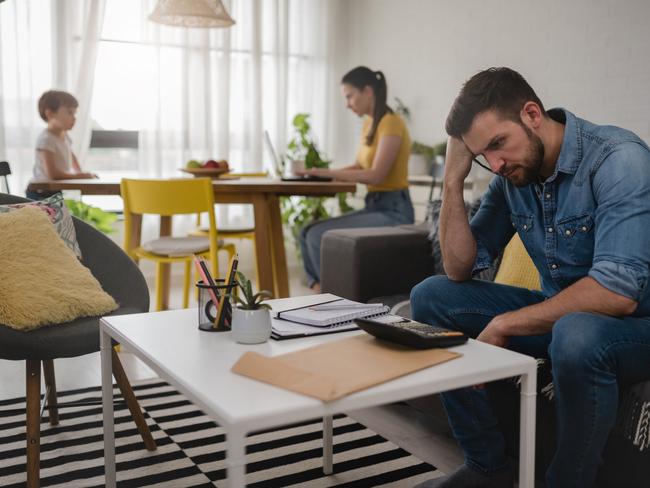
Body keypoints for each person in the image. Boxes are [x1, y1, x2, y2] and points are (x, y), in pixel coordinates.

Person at [411, 67, 650, 488]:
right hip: (561, 322)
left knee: (577, 333)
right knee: (431, 296)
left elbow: (618, 291)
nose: (496, 163)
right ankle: (487, 467)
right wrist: (453, 181)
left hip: (634, 326)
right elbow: (458, 267)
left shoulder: (618, 159)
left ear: (532, 114)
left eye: (499, 143)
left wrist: (505, 324)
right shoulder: (512, 178)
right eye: (484, 154)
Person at [297, 66, 415, 292]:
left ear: (368, 91)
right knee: (306, 232)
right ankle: (324, 293)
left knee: (317, 235)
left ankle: (332, 297)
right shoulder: (369, 123)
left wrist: (326, 173)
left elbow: (376, 174)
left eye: (350, 96)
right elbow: (360, 166)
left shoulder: (391, 122)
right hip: (374, 205)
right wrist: (321, 175)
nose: (347, 103)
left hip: (394, 211)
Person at [27, 90, 97, 200]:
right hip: (39, 193)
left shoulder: (64, 136)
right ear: (50, 114)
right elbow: (53, 174)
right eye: (69, 112)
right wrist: (80, 176)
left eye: (74, 113)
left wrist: (80, 173)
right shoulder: (46, 139)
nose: (74, 118)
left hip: (54, 189)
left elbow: (71, 155)